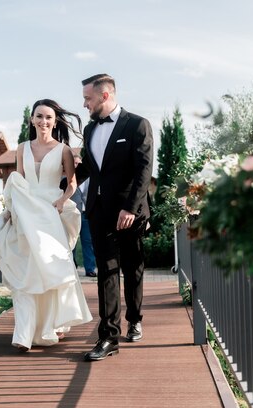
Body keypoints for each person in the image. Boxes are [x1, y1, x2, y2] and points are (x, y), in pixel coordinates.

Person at [0, 99, 92, 352]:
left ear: (55, 122)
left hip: (49, 214)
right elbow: (18, 182)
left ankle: (50, 325)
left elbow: (72, 184)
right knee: (26, 271)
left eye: (48, 117)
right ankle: (23, 334)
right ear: (32, 120)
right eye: (39, 116)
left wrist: (61, 201)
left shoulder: (64, 150)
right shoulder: (22, 148)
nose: (44, 121)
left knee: (48, 269)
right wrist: (11, 209)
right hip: (25, 214)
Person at [76, 74, 153, 361]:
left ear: (105, 96)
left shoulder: (137, 125)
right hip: (98, 210)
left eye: (88, 98)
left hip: (130, 212)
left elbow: (144, 170)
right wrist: (59, 182)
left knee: (132, 268)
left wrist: (130, 208)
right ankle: (109, 336)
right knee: (107, 271)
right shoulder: (89, 129)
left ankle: (134, 318)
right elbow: (90, 167)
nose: (85, 104)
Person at [70, 154, 97, 277]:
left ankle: (90, 269)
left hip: (87, 214)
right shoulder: (67, 180)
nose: (76, 166)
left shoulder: (91, 179)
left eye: (78, 163)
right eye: (74, 163)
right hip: (73, 215)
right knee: (72, 242)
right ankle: (72, 267)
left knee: (88, 241)